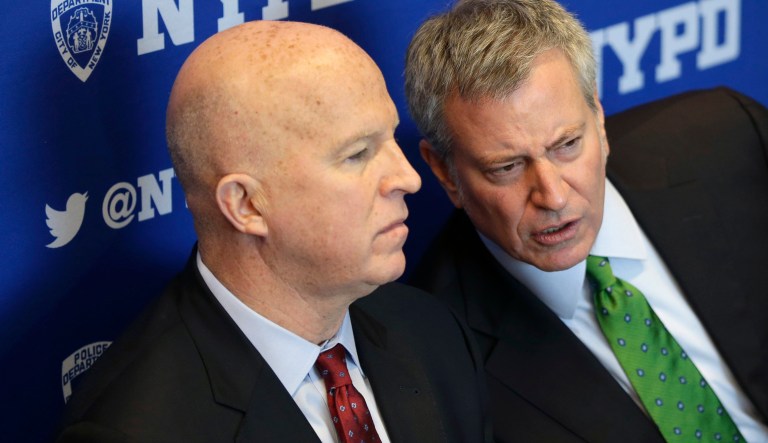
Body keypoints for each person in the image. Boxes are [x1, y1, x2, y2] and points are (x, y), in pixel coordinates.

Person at [56, 20, 490, 443]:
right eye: (358, 154)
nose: (407, 178)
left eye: (390, 138)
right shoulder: (133, 428)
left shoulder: (432, 332)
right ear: (246, 205)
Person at [404, 0, 768, 441]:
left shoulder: (732, 139)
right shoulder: (435, 355)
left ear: (598, 116)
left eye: (567, 145)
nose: (554, 197)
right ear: (444, 171)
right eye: (507, 167)